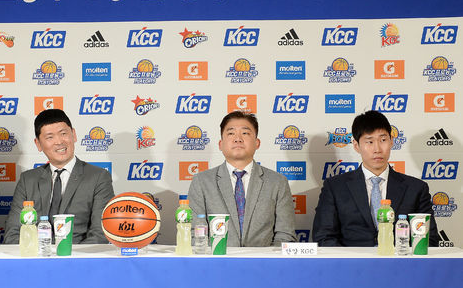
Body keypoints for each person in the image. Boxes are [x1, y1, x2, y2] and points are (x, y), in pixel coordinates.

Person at [312, 110, 438, 246]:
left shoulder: (416, 188)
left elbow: (429, 240)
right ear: (356, 146)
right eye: (369, 142)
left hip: (399, 259)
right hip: (352, 259)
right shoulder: (335, 187)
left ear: (391, 142)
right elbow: (324, 237)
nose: (377, 149)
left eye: (383, 140)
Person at [4, 109, 114, 244]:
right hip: (36, 255)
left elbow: (99, 234)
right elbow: (13, 233)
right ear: (38, 144)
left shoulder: (98, 177)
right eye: (50, 137)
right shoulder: (28, 180)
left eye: (63, 134)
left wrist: (69, 256)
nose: (59, 141)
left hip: (77, 255)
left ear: (74, 135)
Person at [188, 111, 296, 246]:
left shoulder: (277, 182)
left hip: (263, 259)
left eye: (245, 133)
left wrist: (268, 259)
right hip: (217, 258)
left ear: (257, 143)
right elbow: (195, 234)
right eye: (231, 133)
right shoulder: (202, 182)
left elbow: (285, 235)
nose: (238, 139)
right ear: (220, 144)